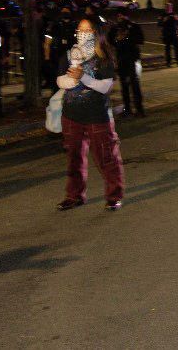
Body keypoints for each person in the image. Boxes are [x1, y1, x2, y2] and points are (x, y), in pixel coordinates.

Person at [55, 18, 124, 211]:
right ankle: (74, 196)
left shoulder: (103, 57)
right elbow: (59, 80)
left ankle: (114, 196)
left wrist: (82, 77)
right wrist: (69, 80)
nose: (82, 33)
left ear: (96, 33)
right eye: (79, 29)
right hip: (71, 114)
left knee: (106, 157)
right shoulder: (69, 55)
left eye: (87, 30)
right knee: (74, 159)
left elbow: (105, 87)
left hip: (96, 116)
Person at [108, 9, 145, 118]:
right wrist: (116, 37)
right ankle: (127, 109)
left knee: (135, 85)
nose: (120, 18)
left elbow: (140, 39)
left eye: (122, 16)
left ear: (126, 16)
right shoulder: (116, 28)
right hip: (121, 59)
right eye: (118, 16)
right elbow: (110, 40)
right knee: (124, 86)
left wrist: (127, 38)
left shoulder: (133, 27)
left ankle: (139, 109)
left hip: (132, 59)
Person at [44, 6, 77, 90]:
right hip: (56, 57)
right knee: (56, 81)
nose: (65, 13)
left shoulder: (75, 25)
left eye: (67, 11)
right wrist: (47, 58)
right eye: (63, 11)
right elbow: (47, 43)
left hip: (71, 58)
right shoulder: (54, 25)